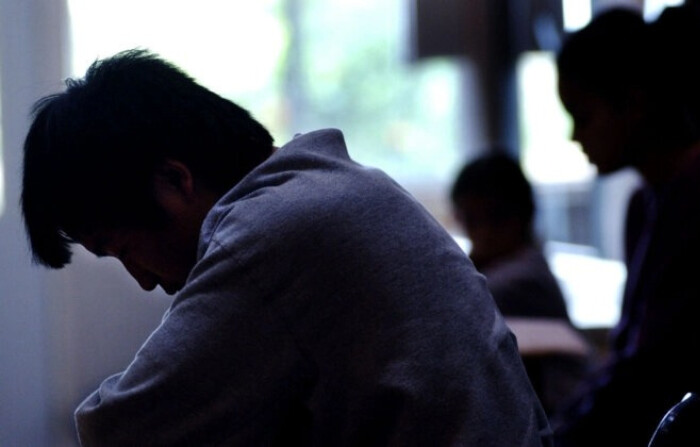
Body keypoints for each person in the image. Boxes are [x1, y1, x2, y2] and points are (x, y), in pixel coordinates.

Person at [20, 49, 553, 446]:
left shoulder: (269, 234)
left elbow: (115, 431)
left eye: (123, 247)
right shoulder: (343, 185)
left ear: (174, 180)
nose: (142, 278)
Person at [551, 5, 700, 446]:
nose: (575, 136)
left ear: (634, 103)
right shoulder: (646, 202)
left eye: (584, 114)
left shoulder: (691, 197)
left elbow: (649, 372)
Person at [449, 150, 592, 417]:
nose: (483, 233)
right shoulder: (498, 268)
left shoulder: (527, 277)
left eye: (497, 218)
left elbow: (453, 299)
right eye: (471, 220)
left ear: (524, 215)